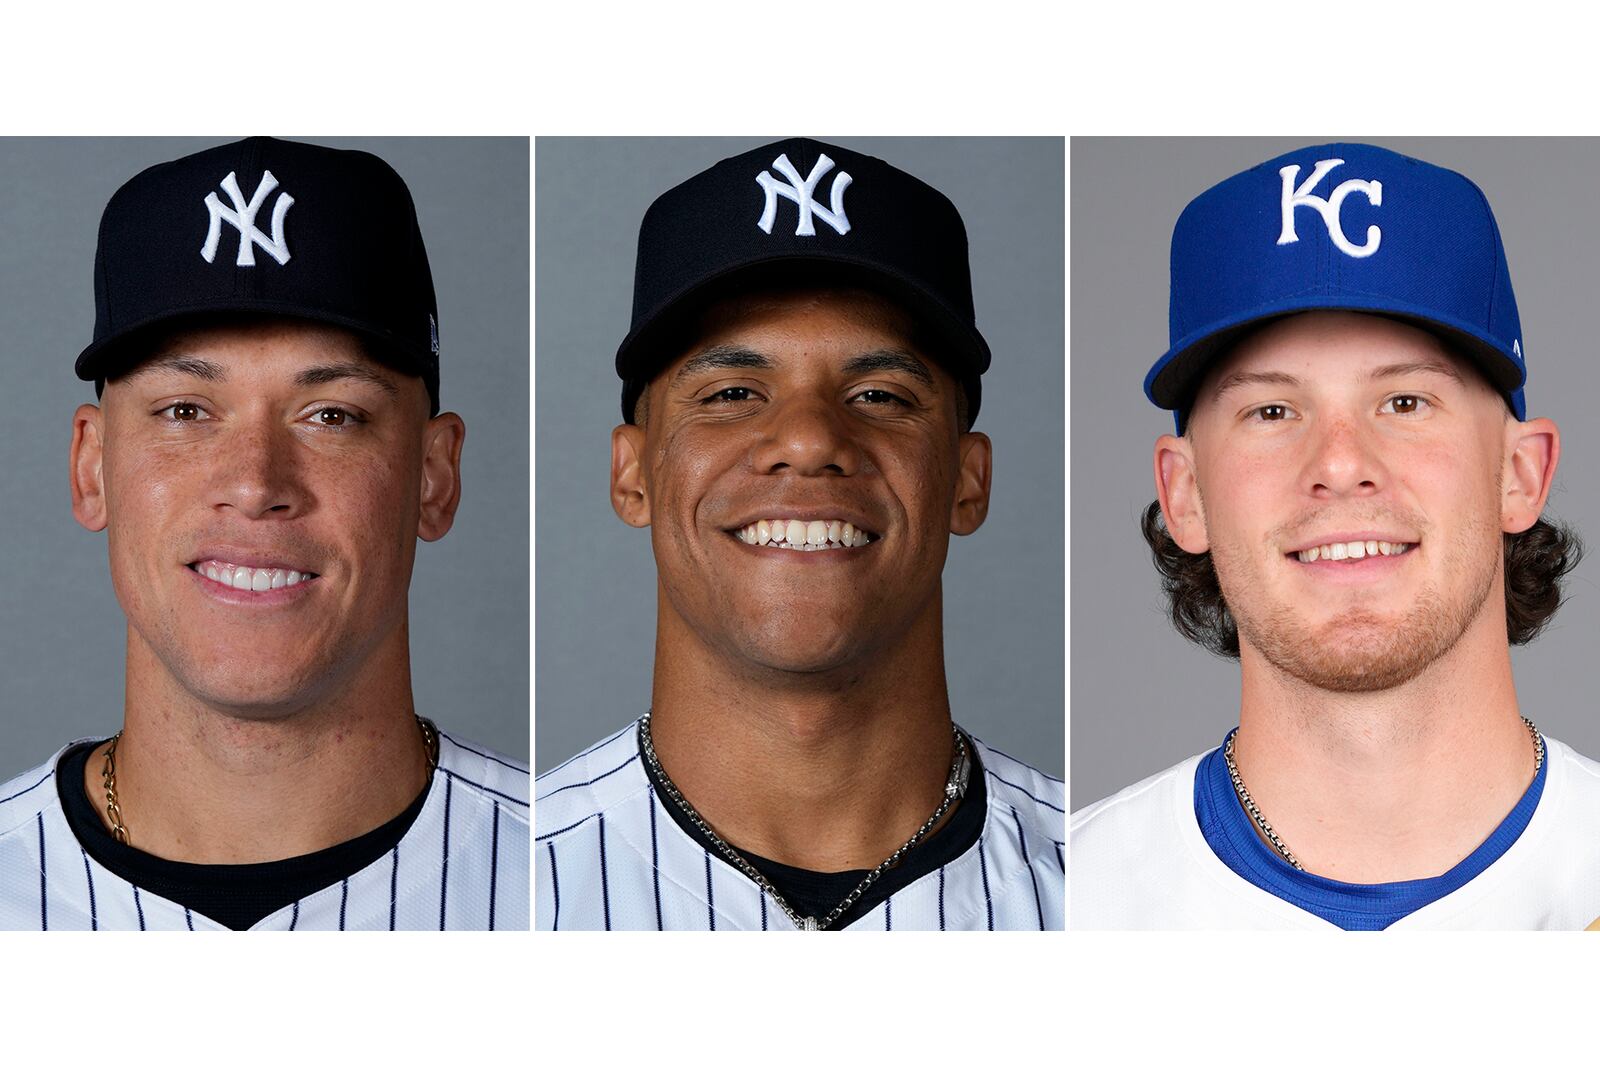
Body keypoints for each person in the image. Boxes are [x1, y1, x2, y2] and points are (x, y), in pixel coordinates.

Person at [0, 137, 528, 930]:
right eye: (185, 411)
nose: (255, 483)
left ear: (434, 474)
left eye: (332, 415)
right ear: (91, 466)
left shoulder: (567, 884)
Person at [535, 138, 1063, 931]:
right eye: (734, 390)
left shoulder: (1106, 892)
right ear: (632, 473)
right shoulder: (516, 886)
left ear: (967, 479)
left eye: (880, 394)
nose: (811, 438)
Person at [1070, 142, 1600, 930]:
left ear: (1520, 473)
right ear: (1185, 494)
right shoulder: (1068, 903)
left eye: (1406, 402)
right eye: (1272, 411)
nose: (1342, 463)